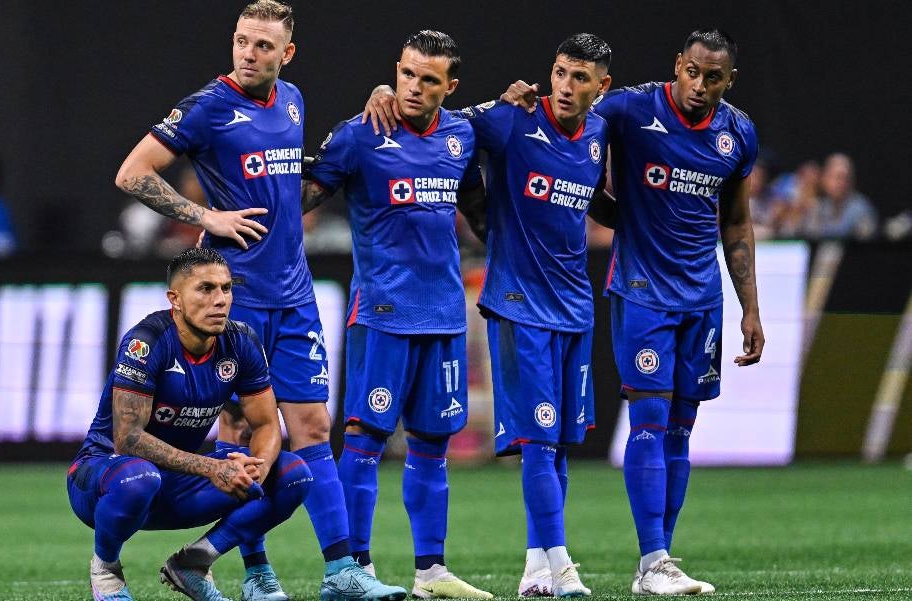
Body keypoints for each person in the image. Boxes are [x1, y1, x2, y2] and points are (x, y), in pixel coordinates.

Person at [114, 3, 404, 600]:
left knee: (313, 426)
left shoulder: (292, 100)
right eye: (242, 41)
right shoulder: (208, 106)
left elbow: (287, 185)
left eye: (263, 45)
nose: (249, 53)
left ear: (286, 54)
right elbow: (131, 172)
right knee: (243, 428)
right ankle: (256, 572)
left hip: (294, 294)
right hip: (236, 295)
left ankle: (342, 572)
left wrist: (379, 97)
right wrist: (205, 216)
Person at [501, 28, 764, 596]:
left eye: (713, 77)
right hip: (642, 290)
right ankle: (653, 558)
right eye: (692, 71)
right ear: (678, 64)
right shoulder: (629, 109)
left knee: (681, 430)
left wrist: (751, 307)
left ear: (729, 81)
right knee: (649, 419)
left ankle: (657, 563)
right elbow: (571, 138)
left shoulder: (738, 133)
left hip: (703, 296)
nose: (699, 85)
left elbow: (736, 220)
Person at [362, 32, 614, 598]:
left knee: (559, 445)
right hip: (519, 302)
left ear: (602, 86)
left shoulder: (601, 131)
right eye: (559, 72)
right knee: (538, 441)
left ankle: (537, 566)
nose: (565, 86)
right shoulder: (510, 120)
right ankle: (560, 563)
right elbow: (438, 118)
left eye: (580, 78)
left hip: (575, 305)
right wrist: (384, 91)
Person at [302, 30, 492, 600]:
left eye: (428, 79)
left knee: (433, 445)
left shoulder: (461, 135)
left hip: (445, 315)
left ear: (449, 87)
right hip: (382, 312)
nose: (413, 86)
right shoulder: (359, 135)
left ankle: (431, 572)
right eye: (406, 74)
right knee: (364, 440)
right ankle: (353, 568)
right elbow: (302, 197)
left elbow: (479, 209)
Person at [66, 248, 313, 601]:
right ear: (175, 299)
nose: (220, 300)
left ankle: (194, 562)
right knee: (140, 477)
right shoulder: (146, 342)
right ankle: (106, 570)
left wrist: (256, 470)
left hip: (177, 484)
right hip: (106, 479)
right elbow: (128, 439)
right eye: (206, 289)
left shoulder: (241, 342)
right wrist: (212, 468)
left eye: (226, 288)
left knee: (293, 474)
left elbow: (267, 425)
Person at [803, 152, 877, 240]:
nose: (840, 183)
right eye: (836, 177)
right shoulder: (818, 207)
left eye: (845, 178)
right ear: (825, 179)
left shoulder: (862, 209)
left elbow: (866, 241)